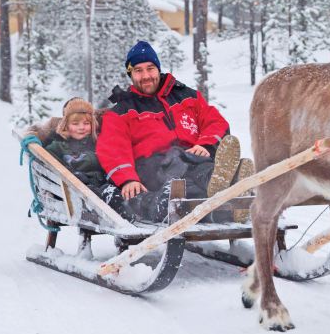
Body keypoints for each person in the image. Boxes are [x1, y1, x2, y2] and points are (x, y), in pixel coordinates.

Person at [96, 40, 250, 223]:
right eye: (138, 70)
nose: (145, 75)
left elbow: (215, 121)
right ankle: (230, 187)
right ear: (131, 74)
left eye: (150, 68)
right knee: (184, 179)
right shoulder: (121, 111)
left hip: (192, 160)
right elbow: (112, 148)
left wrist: (205, 144)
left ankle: (224, 184)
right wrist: (128, 179)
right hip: (151, 170)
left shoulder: (187, 96)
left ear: (158, 68)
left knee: (197, 173)